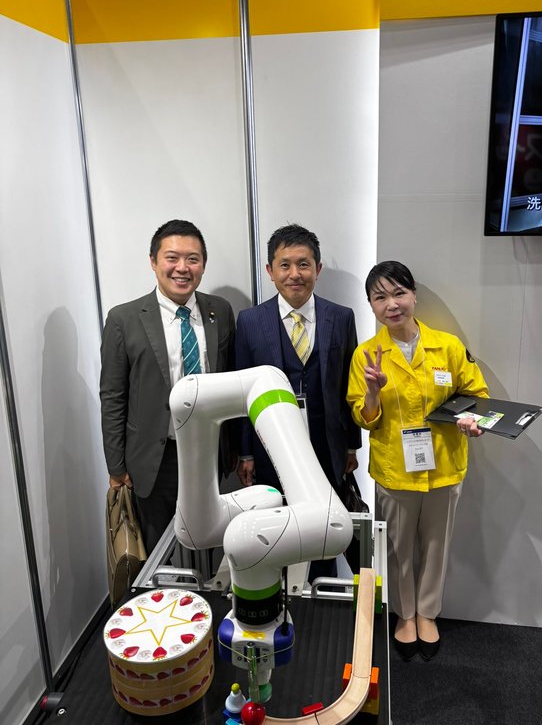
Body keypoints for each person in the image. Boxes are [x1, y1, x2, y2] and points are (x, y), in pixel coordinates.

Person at [347, 260, 488, 661]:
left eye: (399, 293)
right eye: (380, 297)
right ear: (371, 305)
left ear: (413, 296)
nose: (391, 304)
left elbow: (477, 395)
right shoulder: (366, 355)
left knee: (436, 546)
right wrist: (373, 392)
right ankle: (404, 614)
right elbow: (363, 418)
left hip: (444, 465)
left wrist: (473, 421)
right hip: (395, 469)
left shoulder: (448, 346)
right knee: (398, 548)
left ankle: (427, 613)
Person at [100, 219, 235, 554]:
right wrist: (116, 466)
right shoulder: (124, 319)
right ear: (153, 261)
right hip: (154, 458)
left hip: (209, 450)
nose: (182, 268)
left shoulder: (220, 311)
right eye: (172, 258)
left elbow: (231, 377)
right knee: (161, 551)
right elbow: (113, 396)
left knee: (211, 544)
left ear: (203, 264)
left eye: (193, 259)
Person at [235, 224, 361, 579]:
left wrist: (351, 446)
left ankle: (319, 589)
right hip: (270, 445)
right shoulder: (250, 321)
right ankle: (279, 591)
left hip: (326, 443)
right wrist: (245, 453)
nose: (295, 274)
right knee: (275, 525)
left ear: (317, 269)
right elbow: (243, 393)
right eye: (285, 265)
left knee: (324, 525)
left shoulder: (341, 317)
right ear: (270, 270)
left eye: (303, 264)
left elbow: (348, 386)